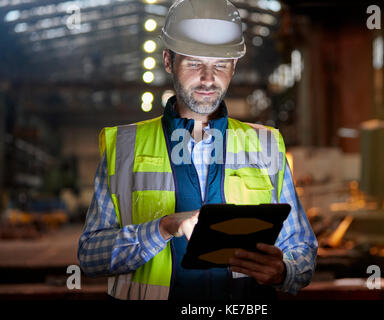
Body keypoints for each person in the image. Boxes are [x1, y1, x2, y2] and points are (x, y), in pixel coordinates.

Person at [78, 0, 317, 300]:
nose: (208, 78)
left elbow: (302, 247)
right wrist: (163, 228)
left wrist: (285, 271)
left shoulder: (266, 145)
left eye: (220, 65)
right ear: (168, 61)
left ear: (235, 66)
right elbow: (90, 256)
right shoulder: (123, 147)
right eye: (194, 63)